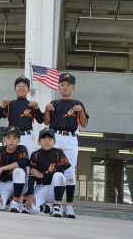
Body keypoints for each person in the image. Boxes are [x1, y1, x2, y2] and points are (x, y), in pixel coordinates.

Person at [44, 72, 88, 218]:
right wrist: (47, 109)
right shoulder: (55, 103)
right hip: (55, 136)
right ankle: (55, 204)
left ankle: (69, 206)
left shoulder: (78, 104)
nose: (65, 87)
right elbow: (46, 122)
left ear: (73, 88)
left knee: (69, 172)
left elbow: (84, 124)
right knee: (54, 170)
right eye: (62, 85)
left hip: (70, 137)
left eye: (68, 85)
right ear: (58, 87)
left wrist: (80, 111)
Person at [24, 128, 70, 217]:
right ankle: (48, 209)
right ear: (38, 142)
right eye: (44, 139)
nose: (47, 141)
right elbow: (32, 175)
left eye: (49, 139)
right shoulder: (35, 154)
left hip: (54, 188)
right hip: (40, 187)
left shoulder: (58, 152)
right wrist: (30, 194)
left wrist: (42, 175)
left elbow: (61, 172)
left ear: (54, 142)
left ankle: (57, 205)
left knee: (59, 176)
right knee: (29, 208)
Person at [0, 76, 44, 156]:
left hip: (26, 136)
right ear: (15, 89)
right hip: (11, 137)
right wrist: (3, 106)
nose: (21, 88)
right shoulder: (10, 104)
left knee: (27, 163)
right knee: (8, 161)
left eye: (24, 86)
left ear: (29, 90)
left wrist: (37, 108)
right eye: (19, 86)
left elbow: (40, 120)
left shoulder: (32, 105)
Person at [0, 125, 29, 213]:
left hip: (21, 185)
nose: (11, 141)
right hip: (5, 184)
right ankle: (8, 201)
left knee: (19, 171)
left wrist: (2, 168)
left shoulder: (22, 148)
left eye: (14, 138)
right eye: (8, 138)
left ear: (19, 140)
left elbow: (23, 163)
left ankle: (15, 201)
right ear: (4, 139)